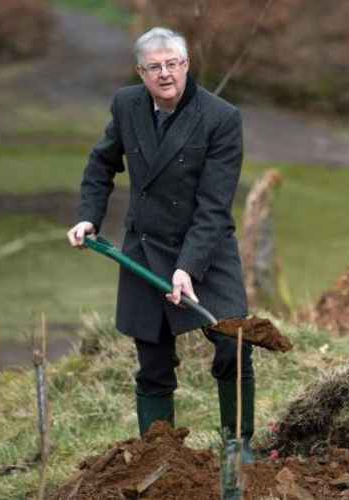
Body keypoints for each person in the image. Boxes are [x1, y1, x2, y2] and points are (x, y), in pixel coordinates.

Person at [66, 27, 254, 462]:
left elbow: (214, 206)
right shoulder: (127, 105)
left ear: (186, 65)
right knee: (152, 363)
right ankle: (159, 455)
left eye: (173, 63)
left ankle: (238, 446)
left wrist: (187, 267)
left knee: (232, 345)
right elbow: (101, 165)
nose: (165, 73)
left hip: (206, 248)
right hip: (145, 246)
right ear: (141, 72)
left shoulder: (221, 117)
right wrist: (88, 216)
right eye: (155, 67)